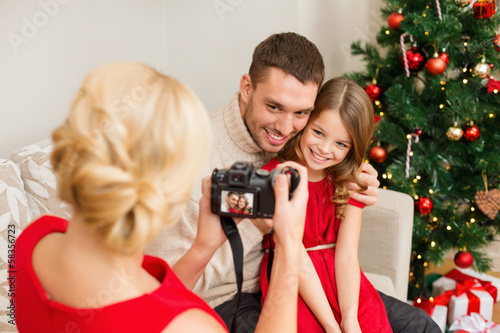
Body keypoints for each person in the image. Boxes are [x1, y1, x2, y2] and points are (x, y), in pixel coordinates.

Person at [146, 32, 440, 333]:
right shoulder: (190, 162)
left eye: (301, 113)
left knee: (421, 326)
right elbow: (163, 288)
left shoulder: (303, 142)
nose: (286, 128)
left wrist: (361, 177)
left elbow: (336, 141)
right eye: (273, 107)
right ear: (247, 87)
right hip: (232, 297)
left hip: (310, 280)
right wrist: (257, 222)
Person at [12, 62, 310, 332]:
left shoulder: (34, 241)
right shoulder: (192, 326)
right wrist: (288, 242)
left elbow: (152, 301)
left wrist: (203, 247)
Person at [260, 77, 391, 333]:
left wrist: (349, 318)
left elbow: (347, 253)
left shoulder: (349, 181)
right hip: (294, 276)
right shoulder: (278, 176)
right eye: (318, 132)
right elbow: (296, 258)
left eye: (341, 144)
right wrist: (332, 326)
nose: (324, 148)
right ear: (305, 123)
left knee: (369, 323)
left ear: (353, 148)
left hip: (344, 281)